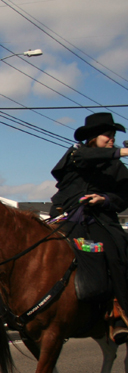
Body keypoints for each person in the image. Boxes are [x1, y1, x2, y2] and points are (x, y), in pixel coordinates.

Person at [50, 112, 128, 343]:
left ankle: (119, 312)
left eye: (113, 136)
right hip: (65, 215)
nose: (112, 139)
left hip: (99, 219)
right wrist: (124, 151)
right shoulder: (77, 153)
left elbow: (125, 195)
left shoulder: (117, 166)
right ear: (93, 137)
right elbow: (88, 156)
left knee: (116, 252)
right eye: (107, 135)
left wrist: (104, 199)